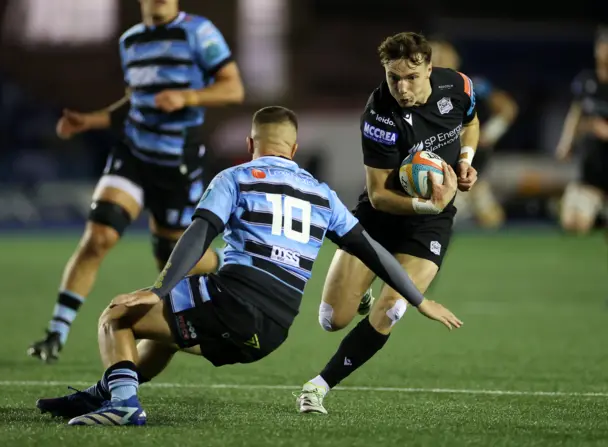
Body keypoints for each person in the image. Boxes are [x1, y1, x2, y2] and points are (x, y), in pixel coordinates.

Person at [35, 106, 462, 426]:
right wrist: (419, 300)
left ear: (249, 144)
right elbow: (374, 252)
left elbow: (197, 235)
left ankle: (124, 405)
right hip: (271, 332)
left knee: (118, 315)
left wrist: (158, 289)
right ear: (294, 150)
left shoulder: (235, 177)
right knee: (167, 332)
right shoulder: (323, 194)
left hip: (233, 303)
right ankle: (107, 390)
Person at [28, 0, 244, 363]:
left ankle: (226, 262)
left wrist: (188, 96)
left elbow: (233, 88)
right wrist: (93, 120)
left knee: (174, 258)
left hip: (176, 163)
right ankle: (56, 333)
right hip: (133, 153)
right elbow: (135, 101)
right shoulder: (130, 40)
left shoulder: (199, 32)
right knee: (99, 236)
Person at [296, 31, 478, 414]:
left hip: (429, 225)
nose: (401, 87)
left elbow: (471, 122)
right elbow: (379, 195)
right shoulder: (379, 113)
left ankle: (318, 386)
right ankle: (360, 288)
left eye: (411, 77)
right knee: (332, 320)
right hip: (382, 217)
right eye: (393, 77)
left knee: (392, 306)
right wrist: (430, 203)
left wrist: (465, 159)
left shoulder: (458, 87)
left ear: (430, 68)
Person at [429, 38, 518, 229]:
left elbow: (508, 108)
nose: (436, 62)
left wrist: (490, 133)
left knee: (492, 222)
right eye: (432, 57)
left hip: (474, 171)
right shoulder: (419, 91)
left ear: (454, 60)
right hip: (437, 173)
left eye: (441, 56)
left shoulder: (472, 86)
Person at [555, 26, 608, 235]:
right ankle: (596, 211)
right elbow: (575, 113)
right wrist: (566, 142)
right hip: (592, 176)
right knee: (573, 225)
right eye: (602, 45)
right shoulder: (587, 81)